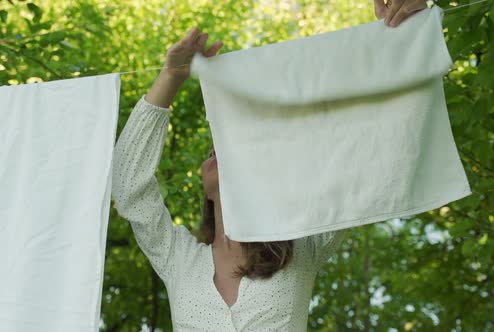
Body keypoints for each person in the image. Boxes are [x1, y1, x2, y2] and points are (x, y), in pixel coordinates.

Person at [111, 1, 427, 330]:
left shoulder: (304, 246)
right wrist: (172, 76)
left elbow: (357, 148)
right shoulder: (178, 259)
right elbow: (128, 183)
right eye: (213, 149)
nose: (217, 151)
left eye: (231, 147)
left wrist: (394, 37)